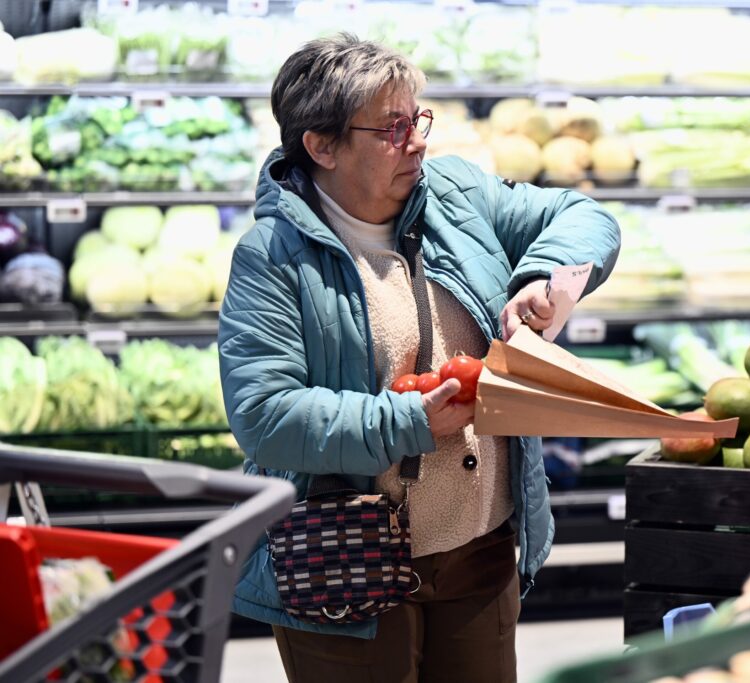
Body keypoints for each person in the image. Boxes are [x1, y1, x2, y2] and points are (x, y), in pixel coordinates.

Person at [218, 33, 620, 683]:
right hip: (343, 566)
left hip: (478, 552)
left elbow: (582, 215)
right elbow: (265, 416)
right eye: (392, 126)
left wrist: (547, 278)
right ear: (322, 146)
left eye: (419, 117)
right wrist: (404, 423)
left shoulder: (455, 195)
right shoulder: (272, 257)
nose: (418, 139)